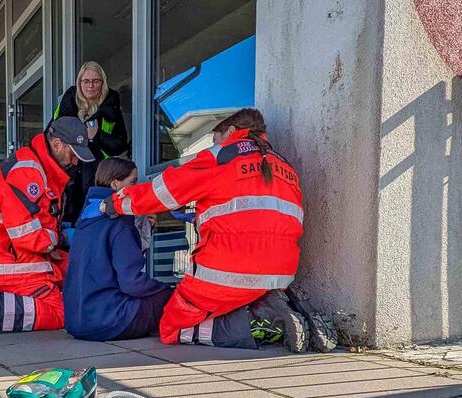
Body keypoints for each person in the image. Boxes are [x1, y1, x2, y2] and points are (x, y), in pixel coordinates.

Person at [99, 108, 312, 352]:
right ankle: (269, 304)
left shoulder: (222, 156)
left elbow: (163, 191)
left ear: (231, 131)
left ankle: (264, 321)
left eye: (215, 138)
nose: (213, 144)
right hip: (280, 275)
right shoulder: (283, 165)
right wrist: (200, 216)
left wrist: (114, 202)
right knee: (228, 301)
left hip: (229, 271)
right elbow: (258, 215)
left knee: (171, 327)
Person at [0, 117, 93, 339]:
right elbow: (25, 234)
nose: (76, 161)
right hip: (5, 262)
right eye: (73, 152)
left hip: (15, 254)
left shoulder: (40, 168)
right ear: (57, 144)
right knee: (61, 313)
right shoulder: (26, 172)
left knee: (75, 267)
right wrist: (56, 240)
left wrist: (57, 241)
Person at [63, 158, 172, 341]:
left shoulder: (86, 217)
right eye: (133, 182)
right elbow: (132, 282)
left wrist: (142, 229)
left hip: (77, 320)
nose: (137, 187)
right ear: (115, 184)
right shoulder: (119, 221)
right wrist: (166, 289)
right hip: (108, 320)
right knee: (167, 298)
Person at [53, 61, 129, 226]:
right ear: (79, 83)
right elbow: (53, 135)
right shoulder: (68, 104)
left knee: (94, 224)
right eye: (86, 81)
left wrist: (96, 136)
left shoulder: (112, 108)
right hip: (68, 176)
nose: (91, 86)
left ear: (103, 83)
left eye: (96, 81)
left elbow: (120, 144)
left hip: (98, 177)